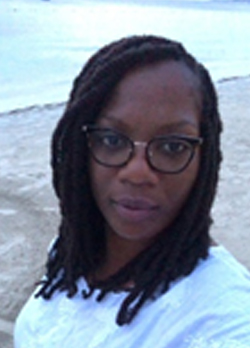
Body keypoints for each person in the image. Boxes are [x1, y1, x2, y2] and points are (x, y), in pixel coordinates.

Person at [14, 35, 250, 348]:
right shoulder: (73, 249)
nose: (138, 173)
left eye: (172, 147)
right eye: (111, 140)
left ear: (204, 160)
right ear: (79, 148)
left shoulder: (225, 320)